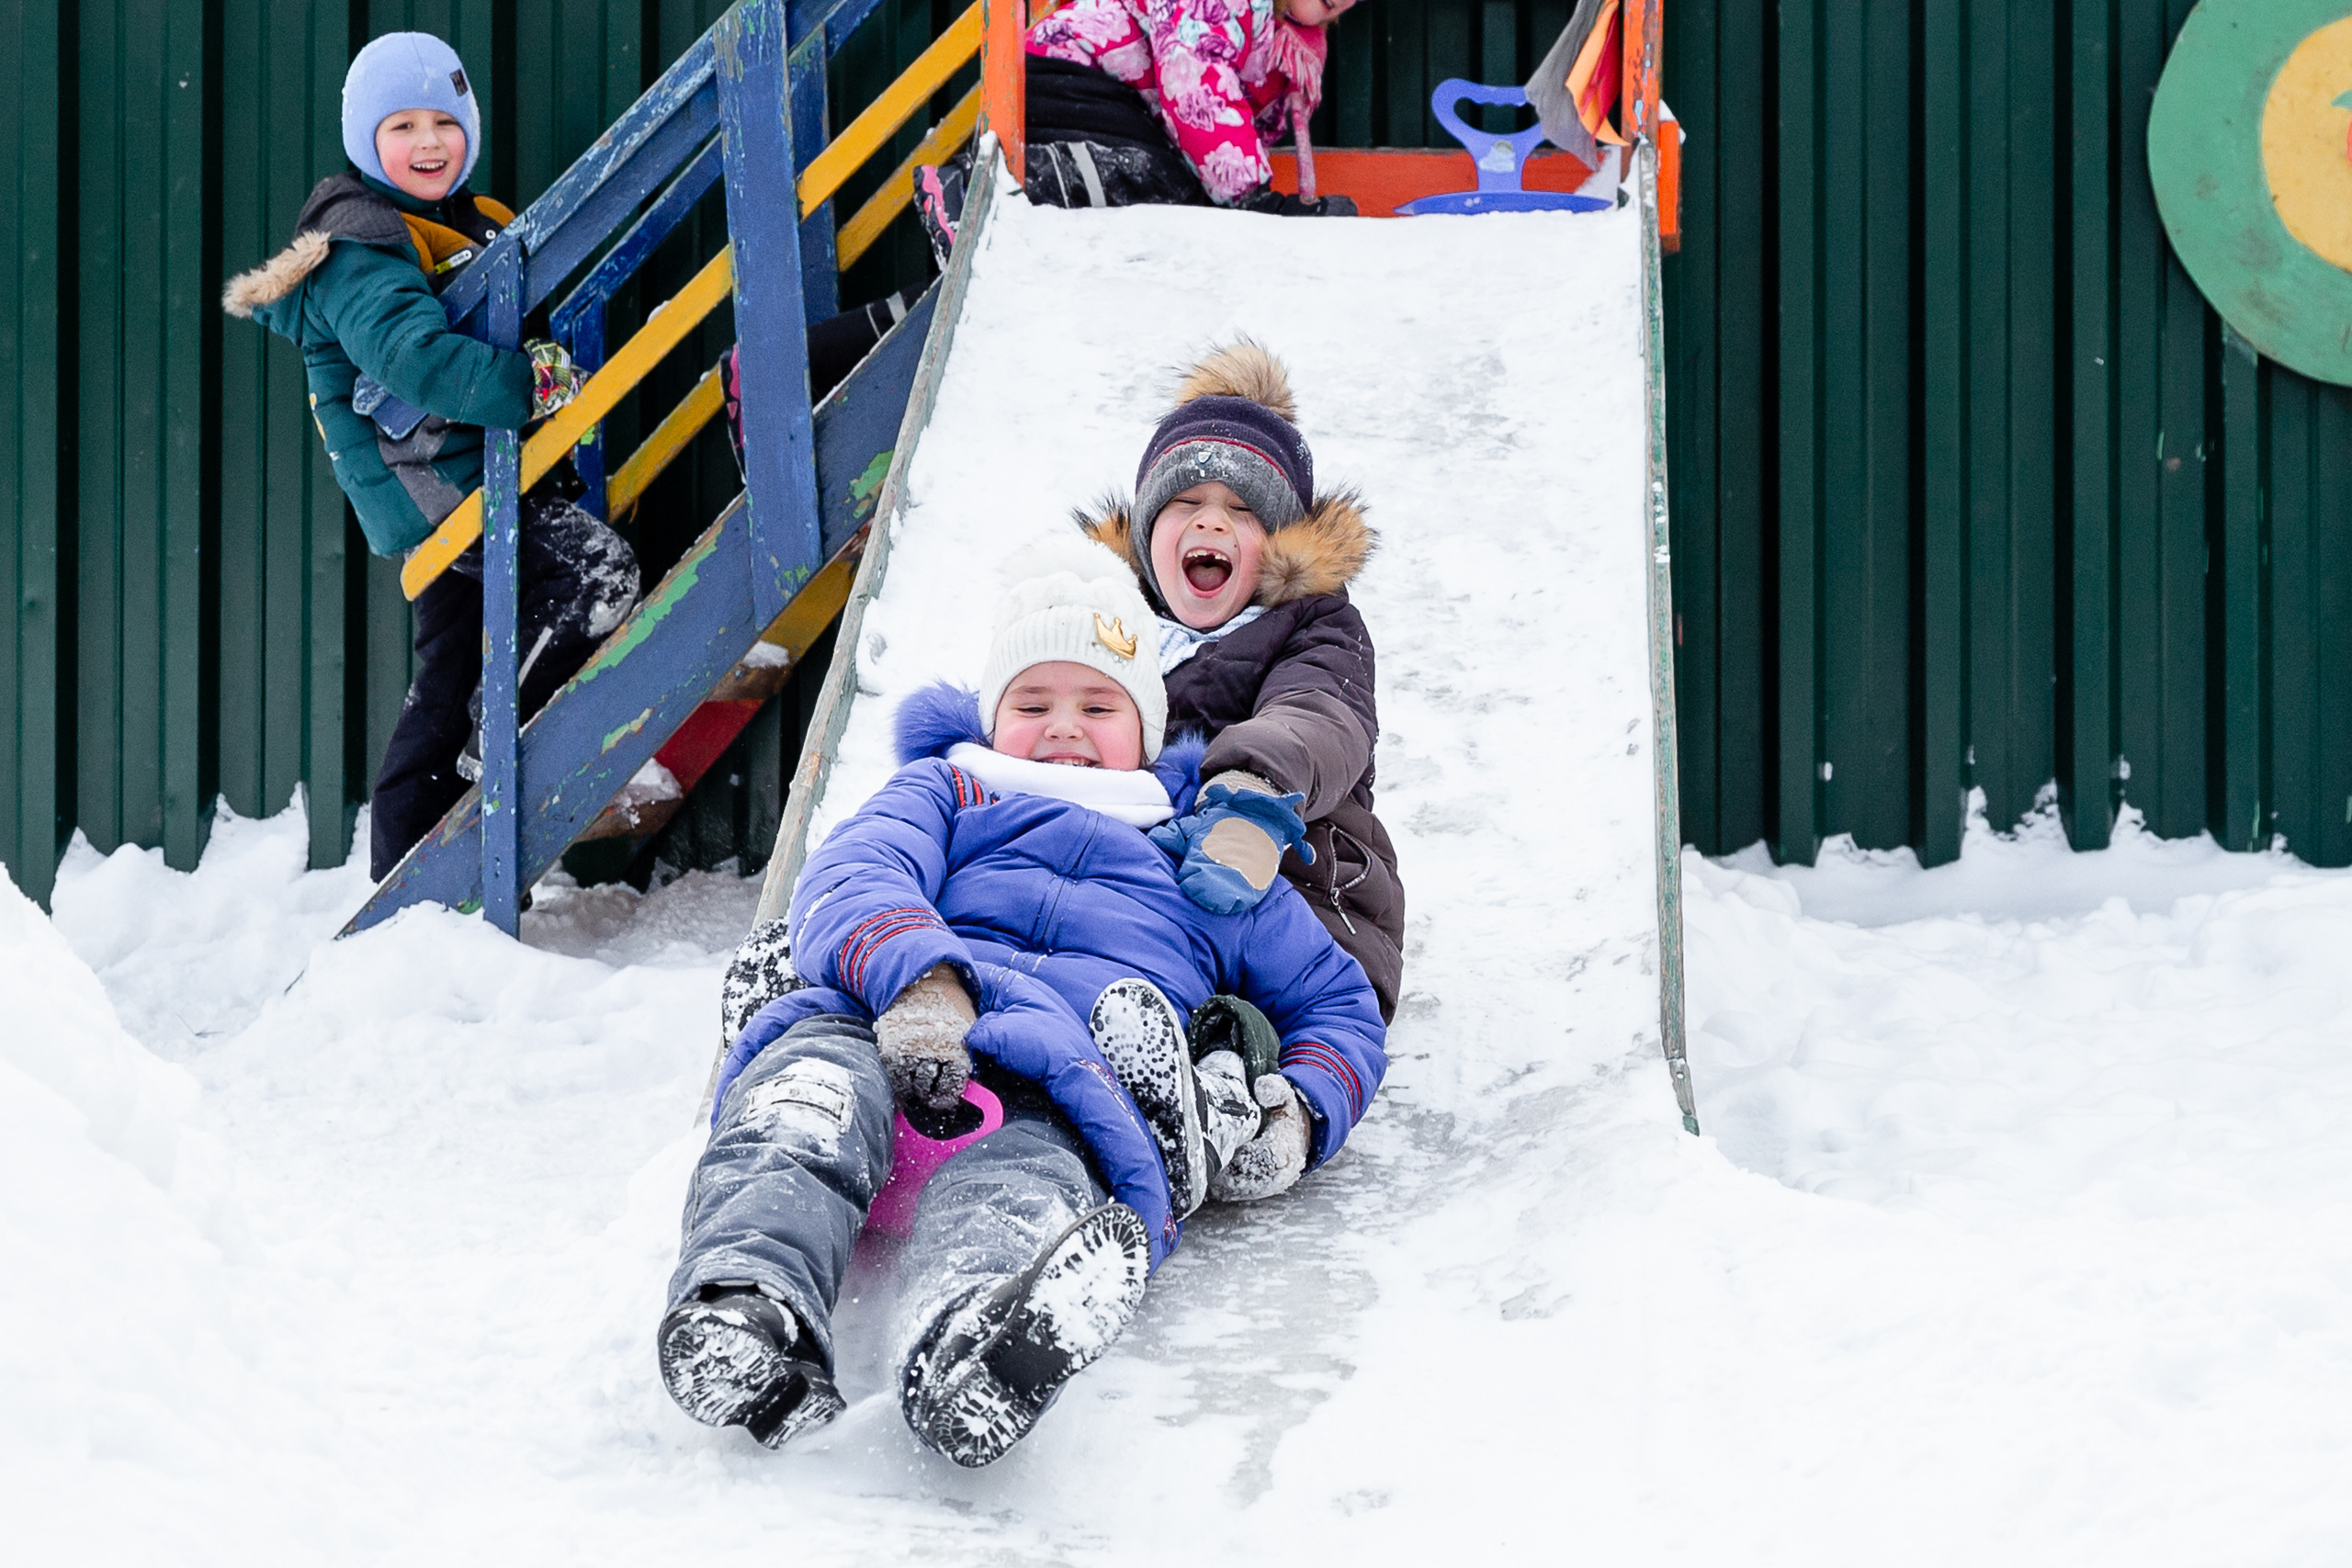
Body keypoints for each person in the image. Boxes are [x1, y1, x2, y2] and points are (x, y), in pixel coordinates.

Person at [662, 538, 1385, 1466]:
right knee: (803, 1114)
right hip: (885, 1029)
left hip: (1058, 1081)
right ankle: (745, 1305)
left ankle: (972, 1344)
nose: (1064, 728)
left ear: (1147, 727)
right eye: (1032, 704)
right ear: (992, 714)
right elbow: (856, 869)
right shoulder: (949, 790)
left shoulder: (1196, 862)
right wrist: (916, 977)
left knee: (1021, 1189)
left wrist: (1301, 1112)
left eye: (1098, 705)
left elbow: (1338, 1006)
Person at [222, 32, 639, 882]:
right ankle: (499, 741)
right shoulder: (359, 244)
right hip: (435, 486)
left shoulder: (466, 222)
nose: (426, 143)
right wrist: (528, 386)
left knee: (447, 671)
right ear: (364, 143)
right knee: (597, 574)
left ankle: (399, 872)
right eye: (400, 126)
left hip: (473, 480)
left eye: (443, 122)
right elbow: (416, 360)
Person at [1081, 341, 1404, 1020]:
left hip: (1297, 893)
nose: (1211, 520)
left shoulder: (1317, 626)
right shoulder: (1102, 624)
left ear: (1282, 543)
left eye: (1244, 510)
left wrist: (1251, 793)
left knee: (1245, 994)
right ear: (1144, 536)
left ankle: (1239, 1060)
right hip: (1137, 898)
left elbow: (1315, 717)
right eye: (1185, 501)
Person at [914, 0, 1361, 264]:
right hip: (1074, 75)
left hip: (1126, 110)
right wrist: (1254, 202)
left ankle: (857, 335)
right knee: (1155, 186)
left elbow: (1238, 126)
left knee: (1176, 204)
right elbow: (1195, 84)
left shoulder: (1290, 44)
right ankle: (974, 200)